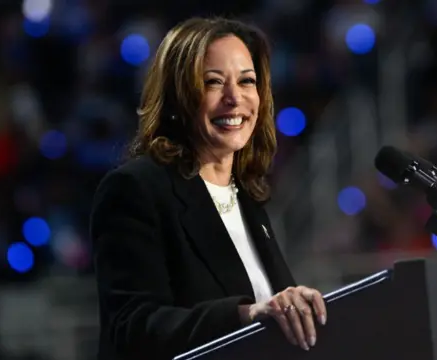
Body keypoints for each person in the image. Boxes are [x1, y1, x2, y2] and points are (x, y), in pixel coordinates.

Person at [90, 17, 327, 360]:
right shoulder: (134, 189)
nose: (235, 98)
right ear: (178, 95)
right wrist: (249, 313)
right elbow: (133, 328)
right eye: (213, 82)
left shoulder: (246, 196)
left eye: (247, 81)